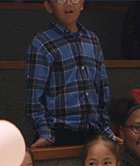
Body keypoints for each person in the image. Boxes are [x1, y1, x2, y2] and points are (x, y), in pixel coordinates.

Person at [26, 0, 115, 147]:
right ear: (49, 6)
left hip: (92, 132)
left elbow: (102, 88)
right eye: (61, 0)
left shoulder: (92, 40)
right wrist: (44, 132)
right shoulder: (42, 43)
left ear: (82, 4)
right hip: (58, 133)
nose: (68, 4)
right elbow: (34, 99)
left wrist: (105, 129)